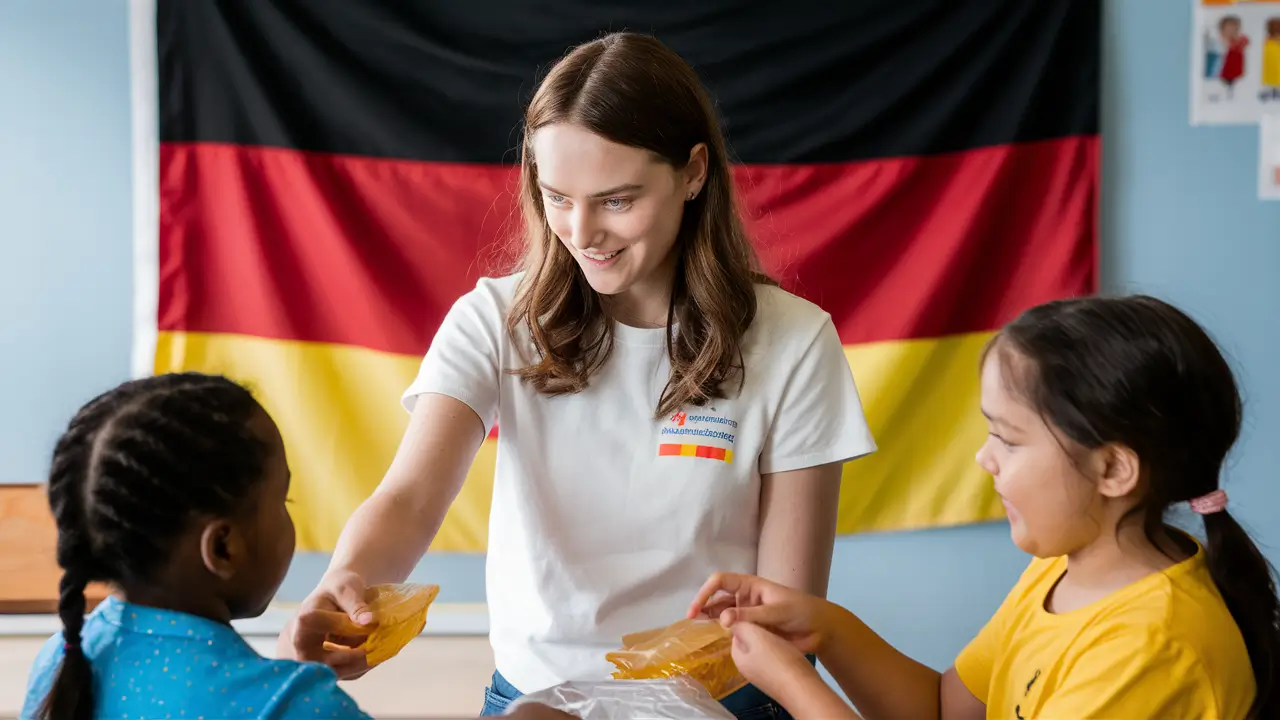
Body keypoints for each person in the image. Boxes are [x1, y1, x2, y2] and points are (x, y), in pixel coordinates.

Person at [277, 31, 876, 719]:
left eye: (617, 200)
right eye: (557, 195)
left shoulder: (795, 341)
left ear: (693, 173)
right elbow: (411, 499)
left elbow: (788, 603)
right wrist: (346, 582)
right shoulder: (493, 320)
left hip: (725, 703)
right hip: (530, 700)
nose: (581, 230)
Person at [688, 295, 1278, 719]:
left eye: (1009, 439)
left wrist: (793, 688)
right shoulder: (1066, 570)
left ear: (1114, 469)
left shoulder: (1151, 650)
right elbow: (947, 709)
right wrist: (827, 630)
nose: (984, 459)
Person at [21, 373, 373, 720]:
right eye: (285, 499)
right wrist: (299, 690)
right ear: (223, 547)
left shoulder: (60, 661)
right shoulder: (298, 705)